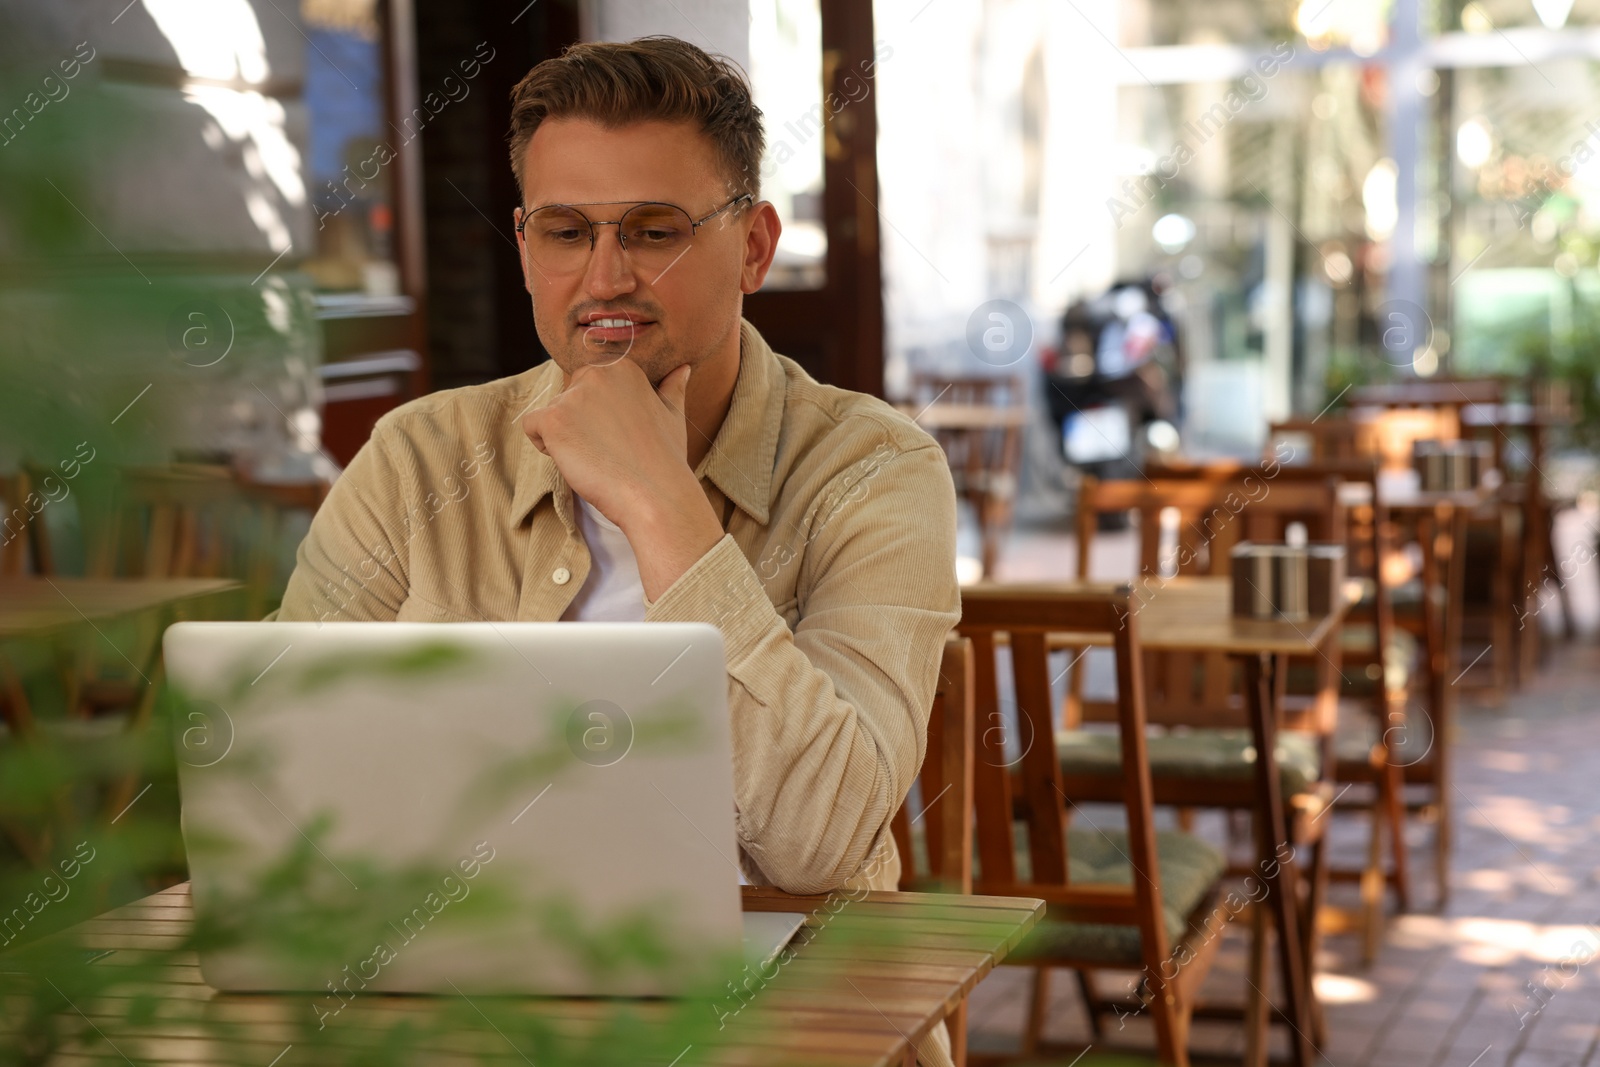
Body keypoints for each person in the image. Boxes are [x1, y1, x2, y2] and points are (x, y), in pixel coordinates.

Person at [274, 34, 958, 927]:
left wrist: (658, 503)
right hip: (469, 985)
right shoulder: (418, 459)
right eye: (566, 232)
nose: (605, 277)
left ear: (753, 247)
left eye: (654, 230)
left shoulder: (874, 471)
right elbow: (272, 781)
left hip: (789, 1004)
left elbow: (818, 844)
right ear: (525, 249)